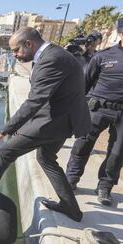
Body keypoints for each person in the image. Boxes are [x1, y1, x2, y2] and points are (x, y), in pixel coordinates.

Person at [0, 27, 91, 222]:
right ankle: (71, 207)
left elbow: (35, 101)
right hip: (64, 119)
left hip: (52, 121)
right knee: (46, 159)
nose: (14, 55)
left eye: (16, 50)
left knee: (4, 152)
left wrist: (4, 130)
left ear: (29, 44)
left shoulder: (52, 59)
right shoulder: (56, 54)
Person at [66, 17, 123, 206]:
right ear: (120, 33)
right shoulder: (103, 56)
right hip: (98, 108)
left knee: (117, 153)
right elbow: (84, 84)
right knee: (82, 145)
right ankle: (71, 180)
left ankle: (105, 187)